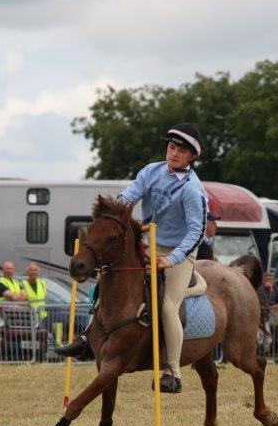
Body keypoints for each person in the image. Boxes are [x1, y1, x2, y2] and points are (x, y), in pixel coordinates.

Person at [58, 123, 208, 394]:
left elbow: (196, 231)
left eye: (182, 150)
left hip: (180, 251)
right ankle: (85, 338)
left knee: (168, 305)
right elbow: (127, 198)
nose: (174, 153)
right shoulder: (151, 171)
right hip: (150, 244)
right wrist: (112, 213)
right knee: (107, 282)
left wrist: (171, 259)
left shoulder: (192, 189)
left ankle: (172, 371)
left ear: (192, 157)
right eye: (171, 147)